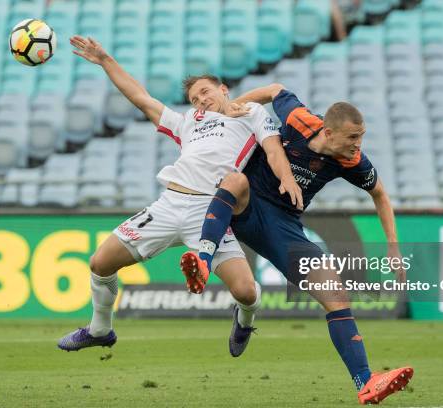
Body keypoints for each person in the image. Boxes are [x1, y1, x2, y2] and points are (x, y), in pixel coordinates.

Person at [58, 37, 303, 357]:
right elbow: (141, 98)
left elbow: (272, 148)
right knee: (100, 263)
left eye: (205, 92)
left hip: (212, 209)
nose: (200, 100)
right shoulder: (188, 123)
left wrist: (287, 178)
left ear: (224, 89)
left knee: (244, 291)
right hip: (169, 204)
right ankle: (100, 329)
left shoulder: (250, 113)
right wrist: (106, 60)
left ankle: (245, 319)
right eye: (194, 98)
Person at [180, 84, 413, 405]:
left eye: (361, 136)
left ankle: (365, 382)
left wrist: (393, 246)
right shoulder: (300, 119)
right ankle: (202, 261)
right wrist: (232, 106)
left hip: (283, 226)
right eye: (352, 137)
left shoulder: (353, 160)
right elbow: (275, 90)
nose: (358, 145)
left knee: (336, 294)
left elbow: (380, 195)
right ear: (328, 132)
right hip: (244, 201)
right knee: (234, 179)